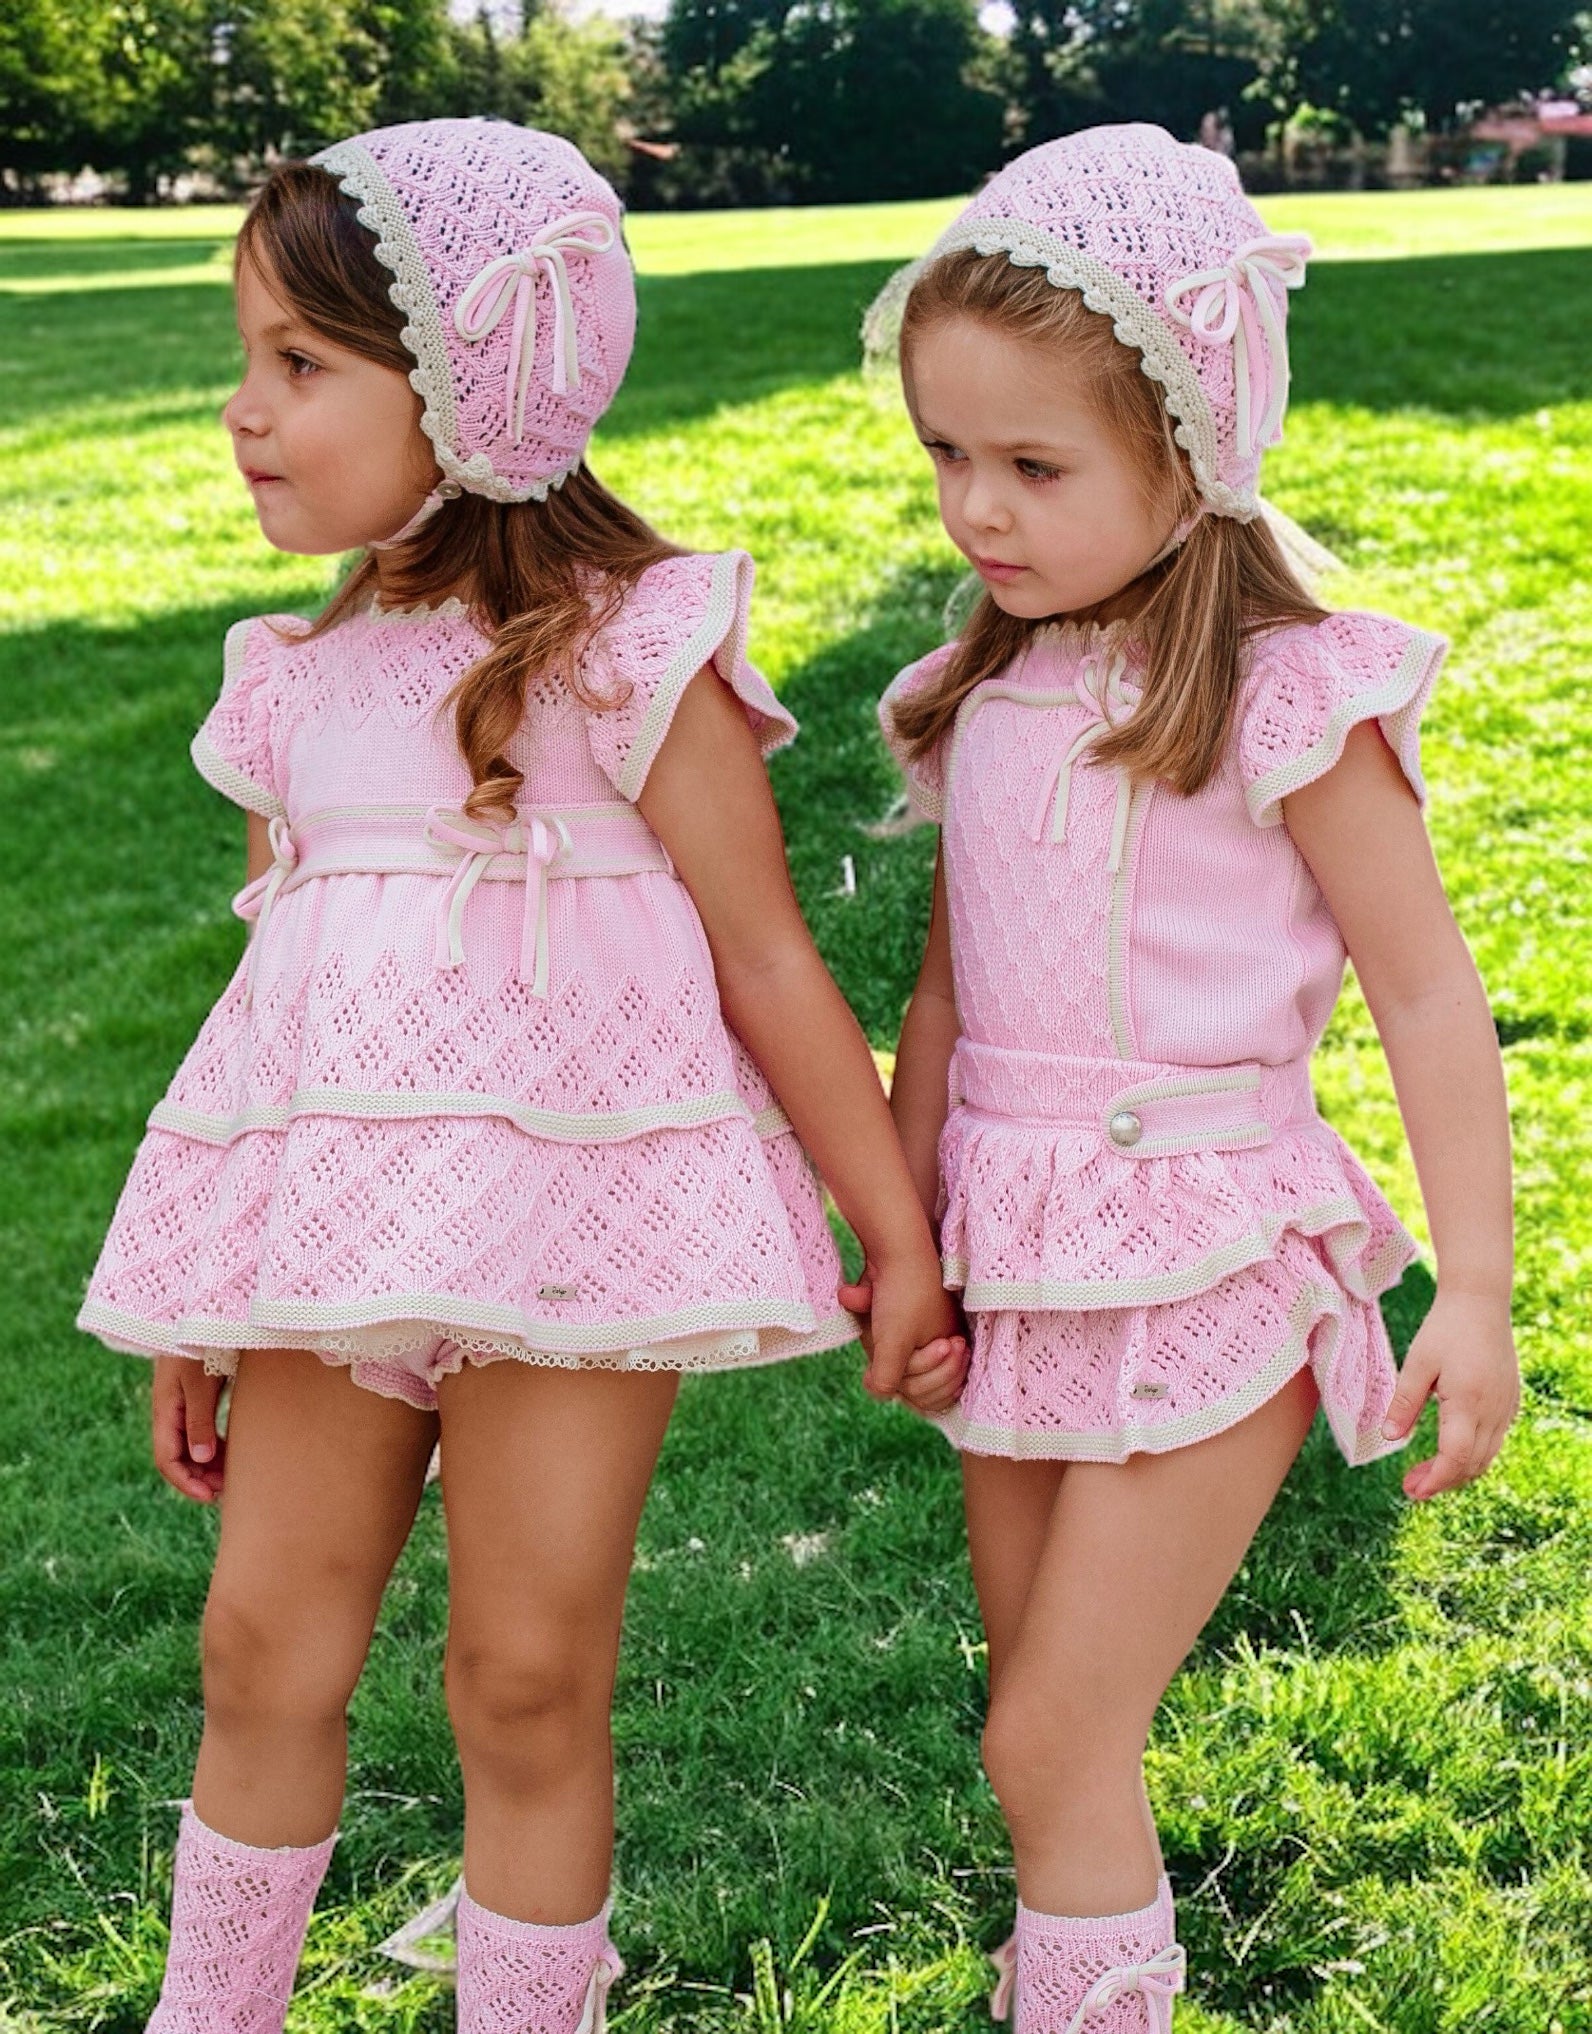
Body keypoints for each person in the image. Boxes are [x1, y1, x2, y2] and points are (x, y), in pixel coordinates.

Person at [77, 117, 964, 2033]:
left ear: (476, 380)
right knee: (259, 1645)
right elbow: (272, 1024)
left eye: (299, 365)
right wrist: (204, 1296)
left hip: (574, 1243)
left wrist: (893, 1234)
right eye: (248, 361)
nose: (244, 412)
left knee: (527, 1672)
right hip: (331, 1255)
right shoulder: (291, 683)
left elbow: (768, 957)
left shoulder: (636, 649)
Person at [861, 124, 1518, 2030]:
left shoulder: (1286, 693)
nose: (976, 507)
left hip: (1210, 1250)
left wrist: (1468, 1289)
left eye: (1034, 466)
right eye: (946, 456)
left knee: (1051, 1735)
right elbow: (953, 988)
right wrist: (911, 1247)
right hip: (1020, 1262)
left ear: (1194, 444)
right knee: (1044, 1728)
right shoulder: (986, 689)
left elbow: (1430, 990)